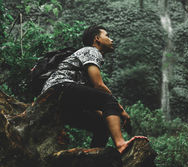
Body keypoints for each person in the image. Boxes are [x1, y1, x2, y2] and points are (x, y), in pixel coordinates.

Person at [41, 24, 147, 153]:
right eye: (107, 36)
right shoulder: (91, 51)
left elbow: (95, 103)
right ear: (97, 38)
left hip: (56, 102)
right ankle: (120, 145)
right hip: (59, 88)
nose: (111, 40)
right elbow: (99, 86)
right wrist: (121, 111)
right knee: (108, 99)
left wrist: (112, 115)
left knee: (102, 124)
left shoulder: (88, 59)